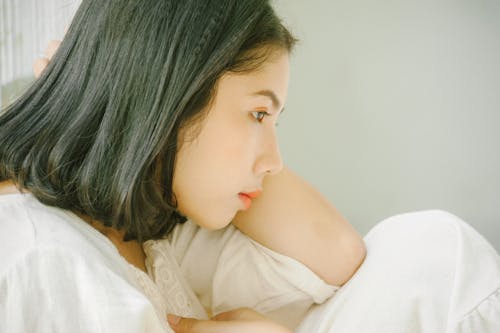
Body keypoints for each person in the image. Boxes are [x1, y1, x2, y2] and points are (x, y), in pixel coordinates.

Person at [2, 1, 500, 333]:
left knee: (431, 247)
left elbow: (338, 251)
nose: (275, 161)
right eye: (259, 114)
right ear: (169, 92)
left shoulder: (148, 232)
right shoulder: (41, 251)